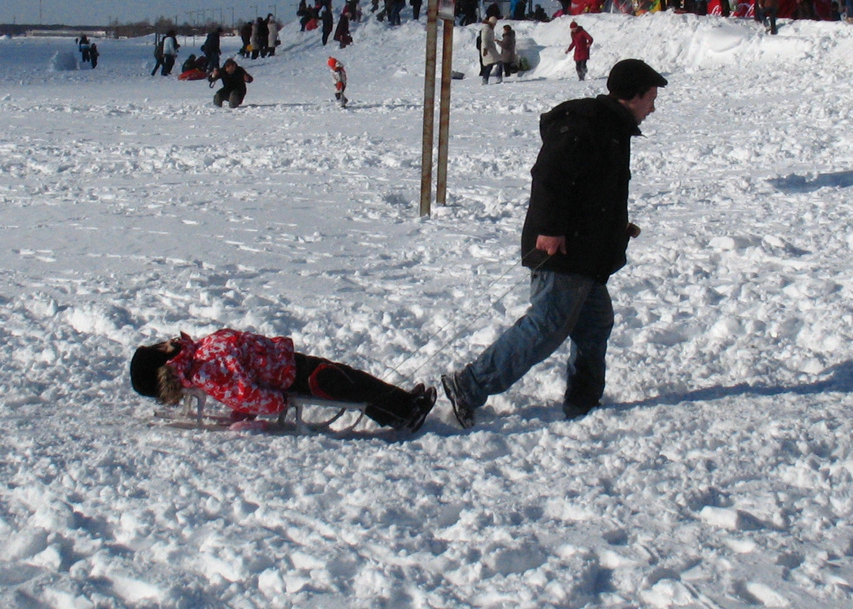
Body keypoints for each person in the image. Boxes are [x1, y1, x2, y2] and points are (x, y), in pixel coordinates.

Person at [441, 59, 668, 429]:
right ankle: (468, 386)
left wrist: (613, 228)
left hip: (588, 252)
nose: (654, 107)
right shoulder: (590, 122)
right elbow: (549, 174)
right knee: (547, 326)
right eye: (652, 98)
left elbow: (595, 189)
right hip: (563, 249)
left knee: (595, 323)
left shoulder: (614, 128)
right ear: (635, 95)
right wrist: (548, 227)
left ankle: (584, 399)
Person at [130, 329, 437, 434]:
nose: (165, 341)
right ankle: (406, 411)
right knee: (351, 386)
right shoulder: (204, 367)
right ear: (164, 358)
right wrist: (277, 403)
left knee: (352, 379)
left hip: (290, 363)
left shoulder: (199, 355)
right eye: (159, 346)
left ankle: (398, 407)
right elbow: (243, 392)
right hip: (294, 378)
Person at [479, 16, 503, 84]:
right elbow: (484, 39)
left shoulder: (489, 28)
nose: (495, 25)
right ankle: (497, 78)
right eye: (494, 23)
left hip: (490, 48)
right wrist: (485, 49)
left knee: (492, 63)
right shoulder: (486, 29)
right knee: (494, 63)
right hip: (487, 48)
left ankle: (486, 79)